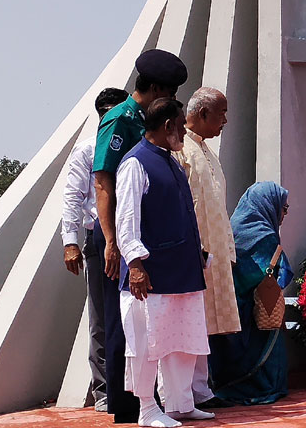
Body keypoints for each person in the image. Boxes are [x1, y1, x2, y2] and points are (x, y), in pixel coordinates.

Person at [95, 49, 188, 423]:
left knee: (152, 321)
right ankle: (128, 404)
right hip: (119, 235)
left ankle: (157, 400)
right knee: (125, 323)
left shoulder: (150, 120)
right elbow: (104, 183)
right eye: (166, 92)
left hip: (145, 236)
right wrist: (112, 242)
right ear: (152, 88)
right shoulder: (120, 120)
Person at [115, 98, 213, 427]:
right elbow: (126, 220)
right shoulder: (135, 164)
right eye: (181, 126)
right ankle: (146, 409)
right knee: (146, 344)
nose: (184, 132)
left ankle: (180, 403)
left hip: (181, 272)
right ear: (168, 126)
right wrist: (136, 265)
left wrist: (198, 252)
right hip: (151, 275)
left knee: (182, 341)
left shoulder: (171, 161)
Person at [60, 87, 129, 411]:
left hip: (130, 239)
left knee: (131, 317)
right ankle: (104, 391)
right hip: (97, 240)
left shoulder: (131, 148)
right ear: (103, 116)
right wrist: (70, 243)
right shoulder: (86, 151)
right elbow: (73, 198)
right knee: (102, 319)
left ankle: (133, 387)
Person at [175, 87, 239, 407]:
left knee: (201, 321)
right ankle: (183, 394)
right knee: (187, 321)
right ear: (202, 114)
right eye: (221, 113)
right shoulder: (180, 150)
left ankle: (201, 390)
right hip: (190, 252)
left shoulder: (205, 151)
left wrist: (226, 246)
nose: (225, 120)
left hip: (210, 252)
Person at [208, 182, 293, 406]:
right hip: (251, 312)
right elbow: (272, 274)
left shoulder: (232, 228)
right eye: (282, 208)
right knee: (269, 332)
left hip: (227, 309)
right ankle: (264, 387)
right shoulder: (264, 236)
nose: (284, 215)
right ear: (268, 206)